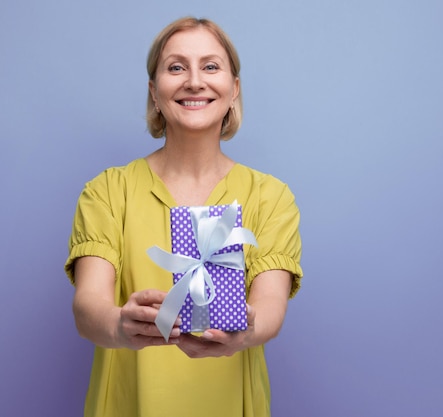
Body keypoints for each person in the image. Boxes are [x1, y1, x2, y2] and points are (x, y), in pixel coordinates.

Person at [65, 16, 303, 417]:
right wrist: (119, 326)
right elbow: (88, 304)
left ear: (234, 90)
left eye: (210, 66)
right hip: (129, 404)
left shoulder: (270, 197)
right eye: (176, 67)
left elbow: (270, 308)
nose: (194, 81)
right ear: (154, 92)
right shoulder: (107, 191)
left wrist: (245, 332)